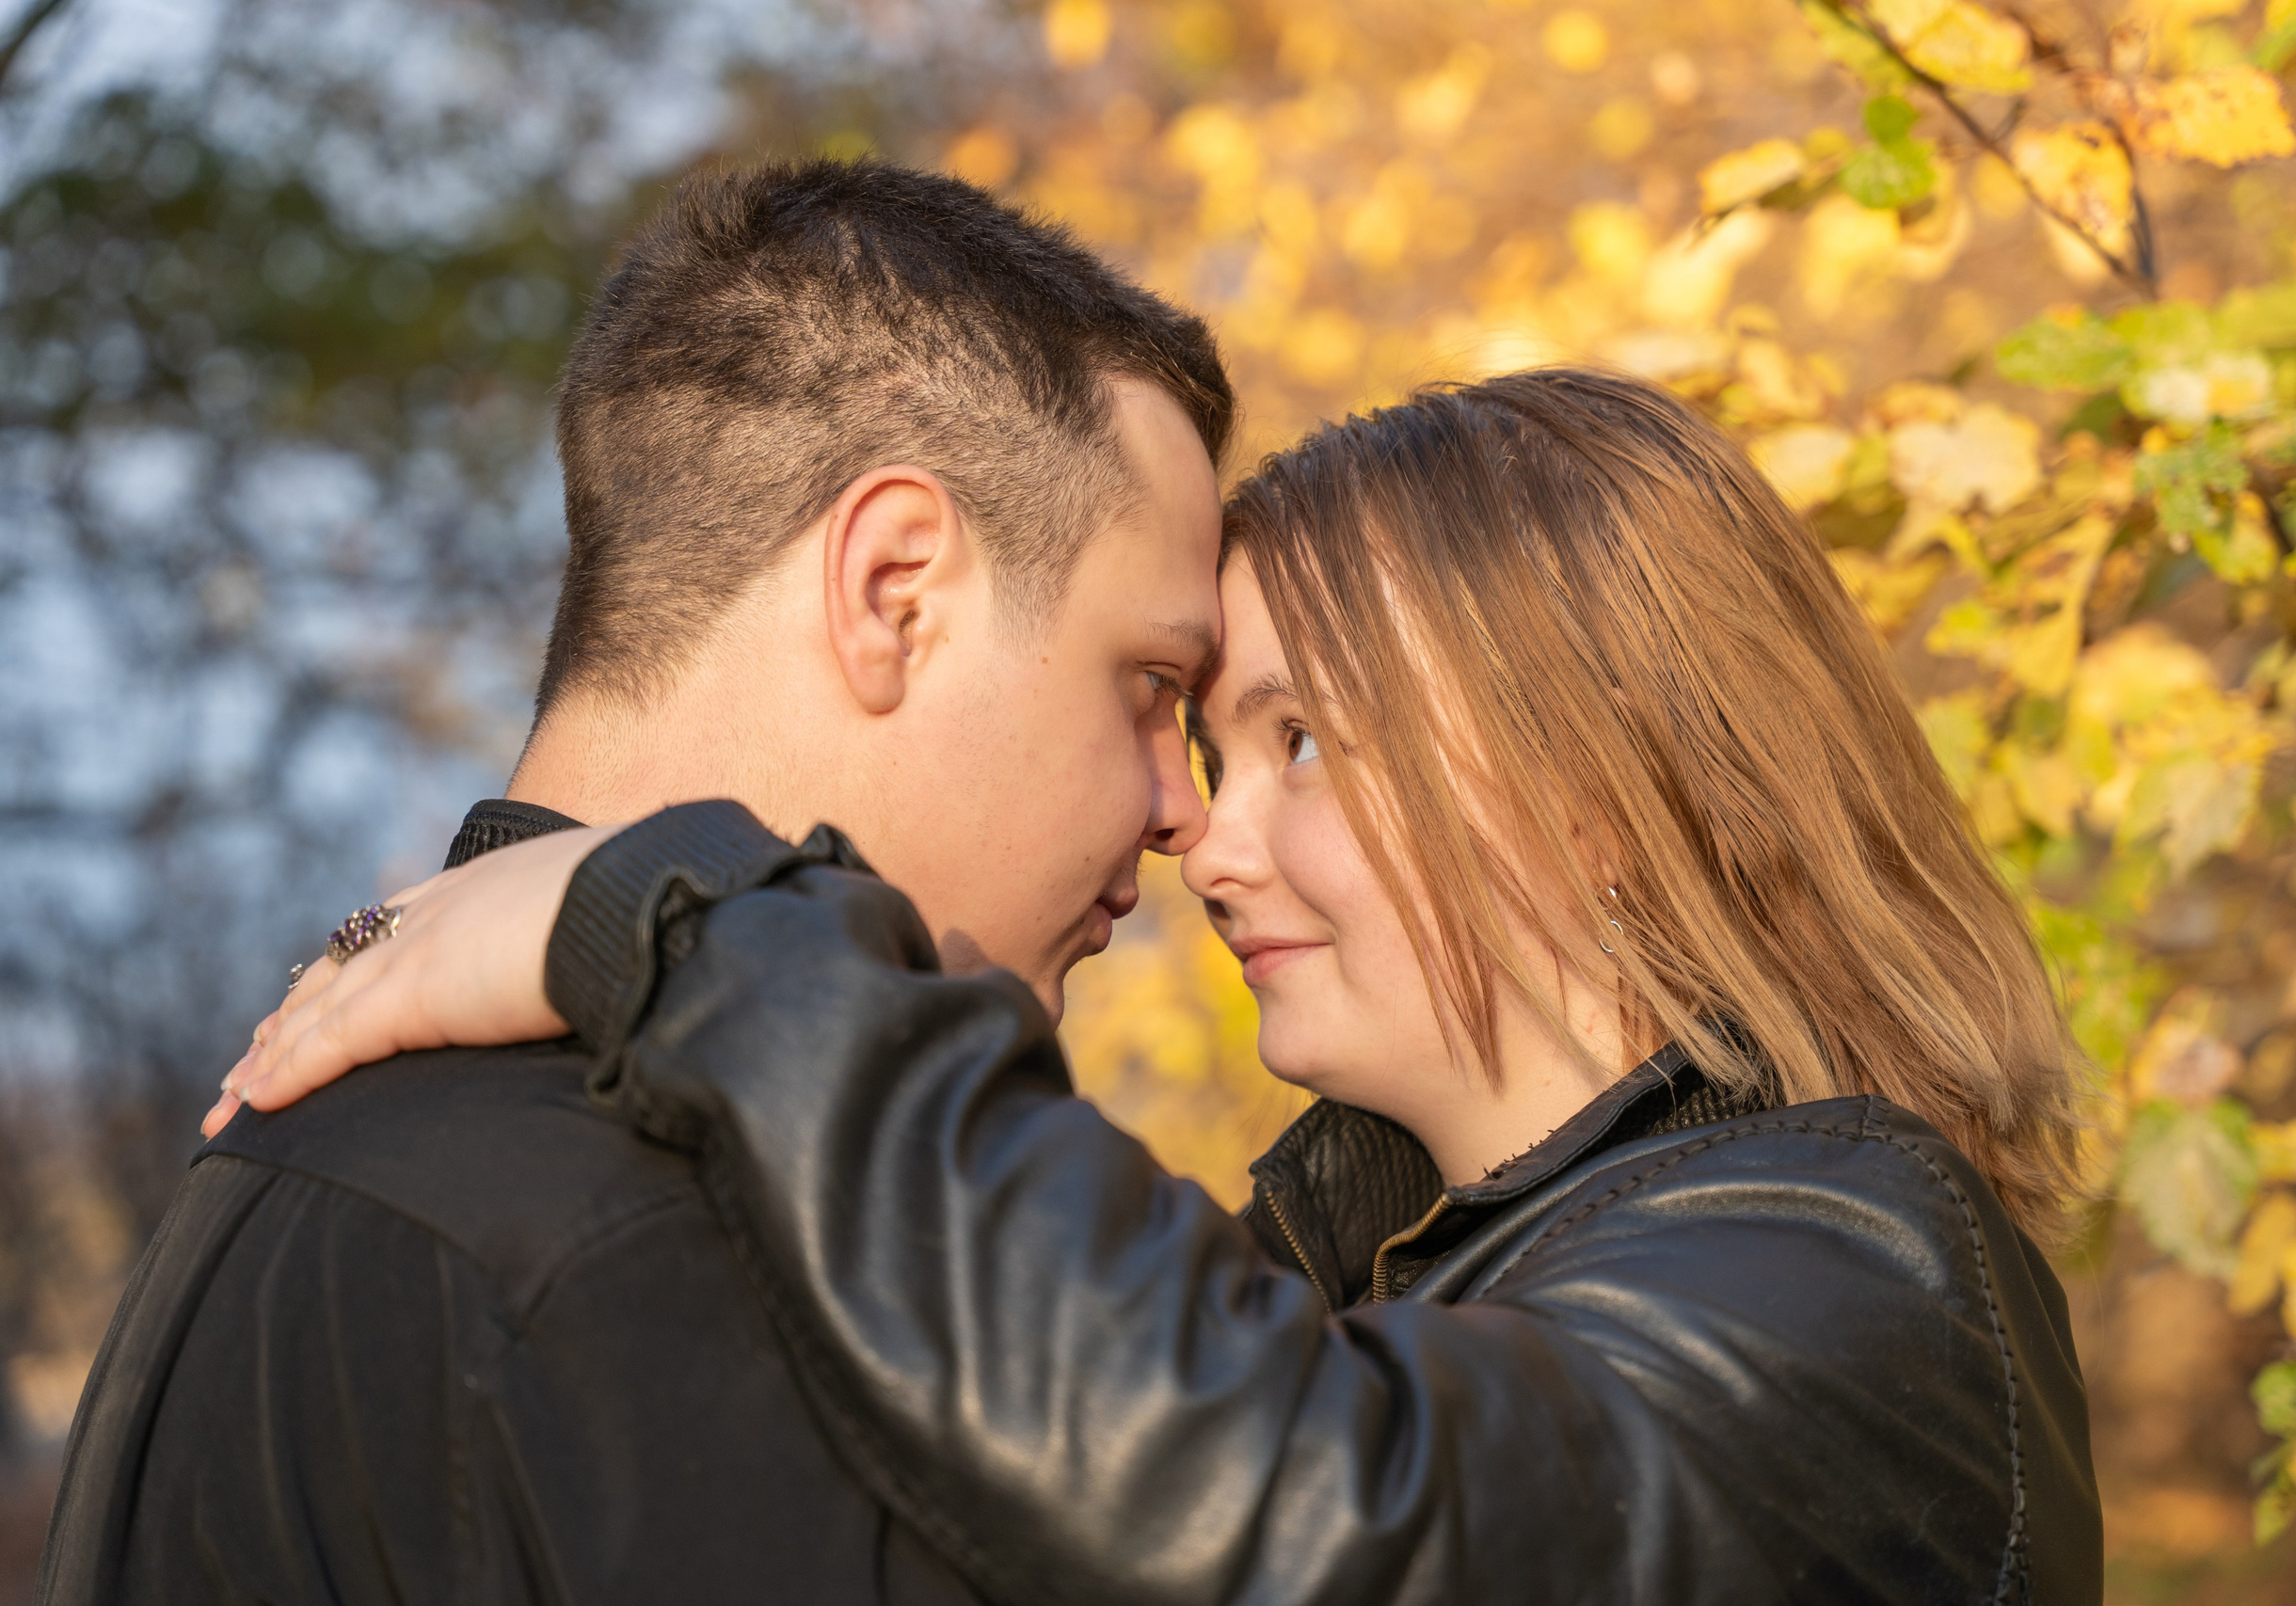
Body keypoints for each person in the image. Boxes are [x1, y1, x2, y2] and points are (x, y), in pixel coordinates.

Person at [234, 368, 2105, 1601]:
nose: (1204, 844)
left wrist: (696, 918)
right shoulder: (1385, 1271)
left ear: (1601, 781)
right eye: (1214, 741)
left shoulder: (1863, 1277)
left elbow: (1304, 1513)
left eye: (1303, 740)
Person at [36, 156, 1234, 1606]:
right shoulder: (695, 1249)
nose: (1182, 810)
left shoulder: (286, 1145)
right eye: (1150, 685)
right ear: (893, 591)